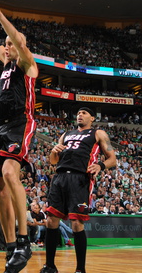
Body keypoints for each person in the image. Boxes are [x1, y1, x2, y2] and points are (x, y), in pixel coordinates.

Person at [0, 0, 37, 273]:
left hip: (21, 123)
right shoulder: (4, 61)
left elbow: (12, 37)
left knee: (8, 171)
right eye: (5, 46)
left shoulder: (28, 64)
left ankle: (24, 240)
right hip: (0, 127)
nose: (5, 47)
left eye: (11, 44)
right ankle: (9, 246)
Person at [40, 107, 116, 273]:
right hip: (59, 177)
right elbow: (53, 161)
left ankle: (80, 269)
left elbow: (113, 159)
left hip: (80, 177)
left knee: (76, 223)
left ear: (92, 118)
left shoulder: (98, 133)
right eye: (79, 113)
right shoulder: (66, 134)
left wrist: (101, 165)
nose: (80, 115)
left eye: (84, 113)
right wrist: (53, 151)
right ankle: (50, 266)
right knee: (51, 221)